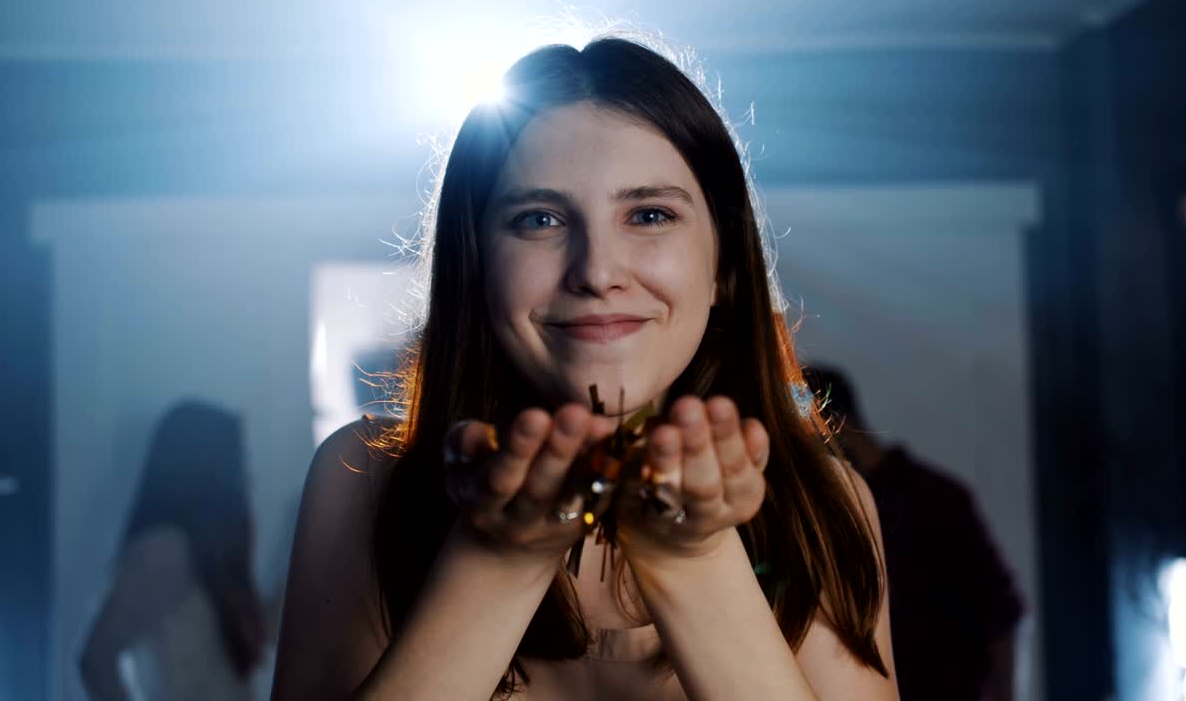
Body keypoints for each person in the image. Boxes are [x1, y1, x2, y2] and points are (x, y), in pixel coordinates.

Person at [272, 35, 898, 700]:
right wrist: (499, 558)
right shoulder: (364, 481)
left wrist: (693, 558)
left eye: (650, 215)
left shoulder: (820, 502)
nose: (597, 272)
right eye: (539, 218)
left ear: (724, 267)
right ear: (476, 264)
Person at [802, 364, 1024, 701]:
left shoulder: (935, 499)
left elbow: (999, 614)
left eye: (808, 437)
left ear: (837, 425)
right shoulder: (824, 508)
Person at [80, 399, 266, 701]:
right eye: (238, 461)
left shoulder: (203, 555)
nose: (248, 476)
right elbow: (96, 660)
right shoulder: (164, 551)